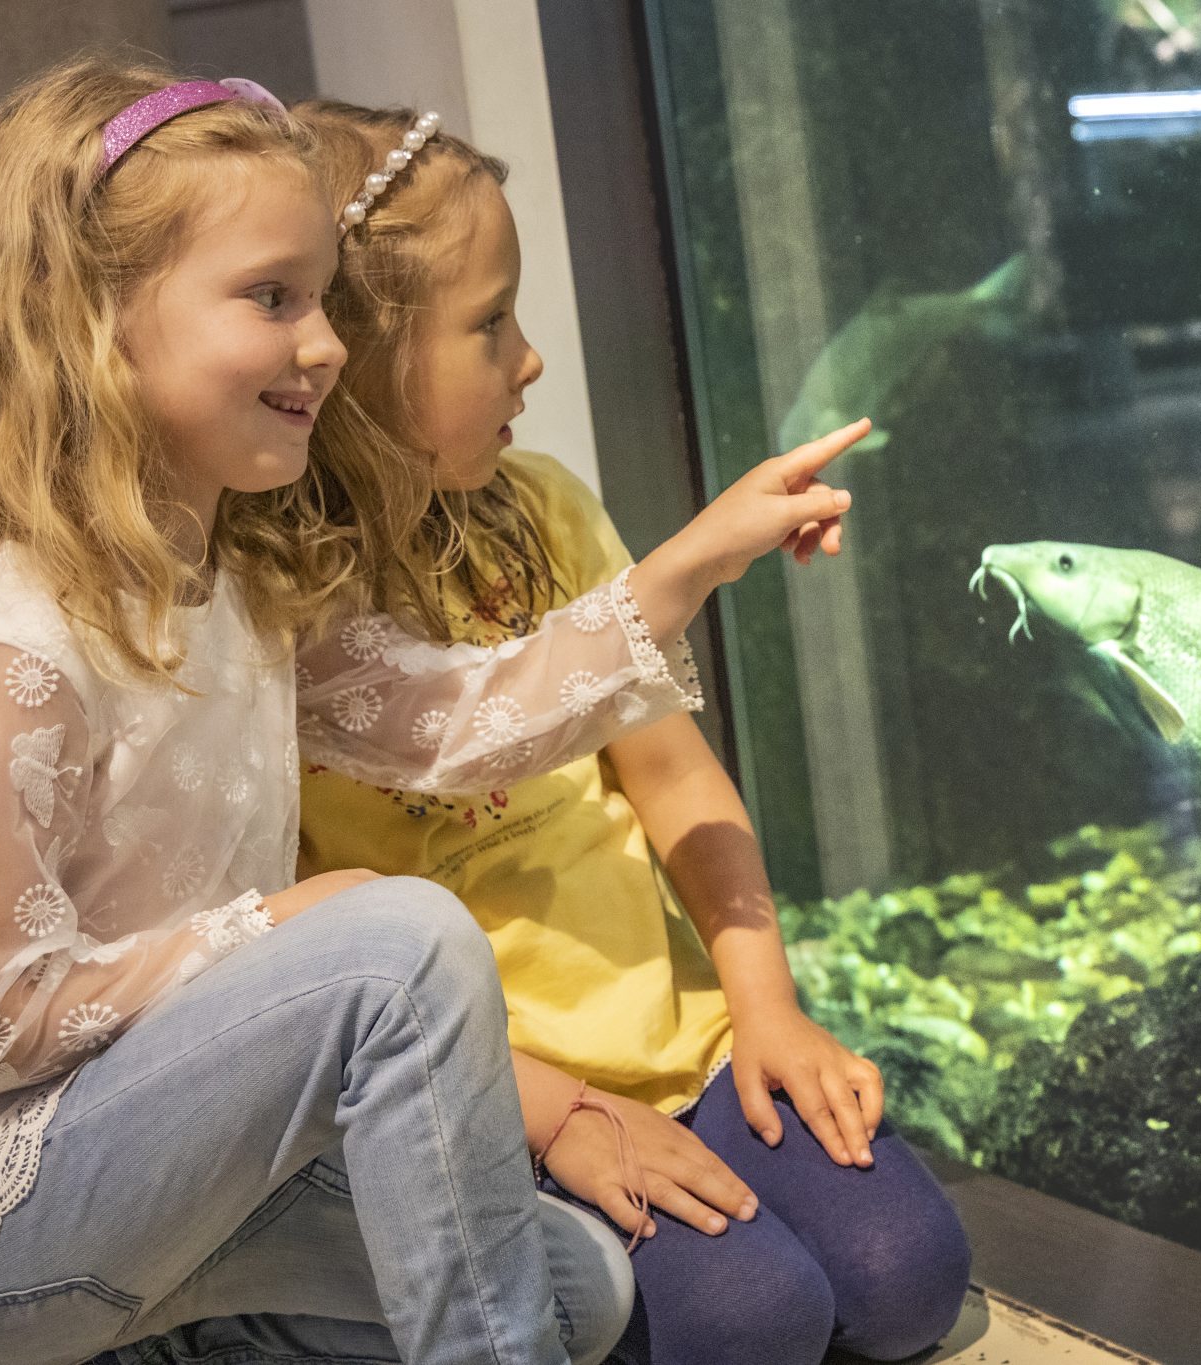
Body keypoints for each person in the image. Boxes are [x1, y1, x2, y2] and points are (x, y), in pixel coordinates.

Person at [0, 58, 856, 1365]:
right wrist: (267, 928)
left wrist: (690, 565)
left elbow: (463, 723)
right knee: (396, 942)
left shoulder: (230, 588)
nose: (325, 344)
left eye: (324, 300)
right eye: (272, 298)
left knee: (580, 1285)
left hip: (179, 1194)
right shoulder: (17, 644)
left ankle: (171, 1338)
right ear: (93, 320)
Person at [289, 100, 972, 1365]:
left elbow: (669, 773)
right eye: (489, 324)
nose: (530, 359)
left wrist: (767, 1007)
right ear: (364, 361)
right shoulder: (288, 610)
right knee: (754, 1321)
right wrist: (553, 1115)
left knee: (907, 1279)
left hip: (688, 1043)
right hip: (503, 1095)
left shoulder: (543, 509)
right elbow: (328, 966)